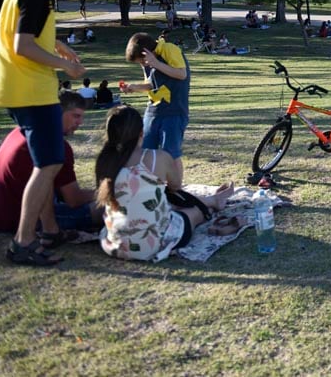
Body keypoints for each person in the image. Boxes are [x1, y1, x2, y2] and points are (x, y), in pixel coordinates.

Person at [0, 0, 86, 266]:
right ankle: (23, 242)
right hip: (32, 90)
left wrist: (61, 47)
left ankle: (50, 229)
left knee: (43, 163)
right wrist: (66, 67)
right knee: (50, 163)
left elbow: (27, 34)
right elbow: (23, 45)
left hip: (14, 89)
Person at [96, 106, 233, 261]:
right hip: (153, 244)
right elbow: (176, 187)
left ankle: (213, 200)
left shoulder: (104, 161)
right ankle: (213, 201)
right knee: (192, 212)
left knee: (163, 203)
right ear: (141, 133)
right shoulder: (157, 158)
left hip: (117, 244)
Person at [0, 90, 101, 237]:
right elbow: (73, 199)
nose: (80, 123)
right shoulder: (55, 145)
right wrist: (107, 192)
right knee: (105, 209)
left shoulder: (22, 131)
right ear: (57, 113)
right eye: (76, 116)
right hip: (23, 220)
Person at [120, 32, 191, 190]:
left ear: (147, 52)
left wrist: (155, 63)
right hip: (153, 111)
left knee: (170, 153)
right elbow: (152, 84)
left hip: (174, 111)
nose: (143, 65)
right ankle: (150, 188)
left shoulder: (168, 49)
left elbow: (181, 74)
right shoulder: (148, 63)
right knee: (145, 151)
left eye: (142, 61)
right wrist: (134, 87)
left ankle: (176, 190)